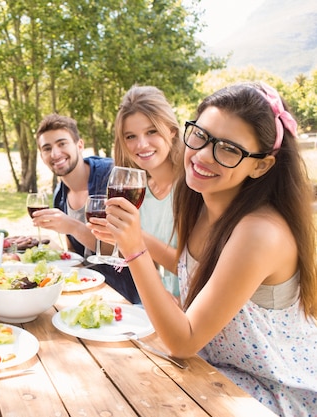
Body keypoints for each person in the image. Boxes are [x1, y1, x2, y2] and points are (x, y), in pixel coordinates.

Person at [90, 82, 317, 416]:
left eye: (228, 149)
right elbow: (190, 266)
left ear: (261, 165)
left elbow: (184, 340)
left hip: (271, 393)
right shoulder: (199, 202)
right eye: (201, 136)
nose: (202, 155)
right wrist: (129, 237)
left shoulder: (260, 232)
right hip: (212, 370)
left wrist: (135, 247)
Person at [32, 114, 124, 294]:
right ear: (42, 156)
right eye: (47, 148)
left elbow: (121, 249)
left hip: (122, 290)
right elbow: (73, 250)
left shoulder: (110, 176)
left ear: (79, 145)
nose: (55, 153)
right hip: (88, 286)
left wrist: (72, 226)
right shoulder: (60, 194)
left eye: (62, 144)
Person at [110, 85, 182, 300]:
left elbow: (192, 269)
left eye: (151, 132)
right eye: (130, 136)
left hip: (196, 312)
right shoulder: (142, 193)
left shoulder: (192, 188)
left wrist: (134, 237)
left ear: (171, 131)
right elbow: (143, 261)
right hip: (161, 306)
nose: (141, 145)